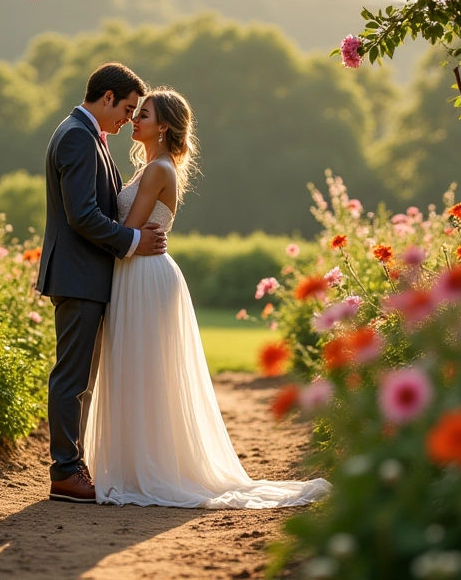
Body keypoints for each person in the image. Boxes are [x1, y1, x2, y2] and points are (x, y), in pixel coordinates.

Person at [83, 87, 331, 508]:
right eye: (135, 112)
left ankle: (149, 469)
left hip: (144, 275)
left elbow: (130, 223)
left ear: (163, 126)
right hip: (133, 271)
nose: (135, 120)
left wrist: (87, 216)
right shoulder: (149, 168)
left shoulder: (160, 169)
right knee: (132, 368)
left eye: (143, 114)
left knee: (143, 370)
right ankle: (132, 465)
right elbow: (128, 229)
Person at [37, 63, 167, 504]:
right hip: (78, 274)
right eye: (128, 109)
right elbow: (82, 215)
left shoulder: (88, 135)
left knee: (79, 377)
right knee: (71, 377)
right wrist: (132, 239)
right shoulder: (77, 135)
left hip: (87, 273)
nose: (129, 119)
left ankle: (72, 464)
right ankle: (65, 472)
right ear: (107, 97)